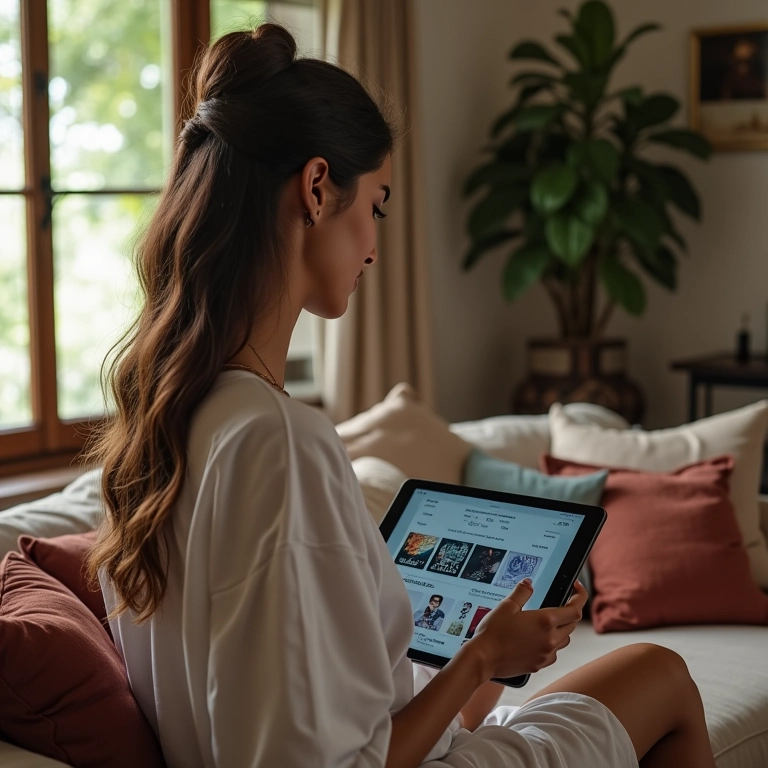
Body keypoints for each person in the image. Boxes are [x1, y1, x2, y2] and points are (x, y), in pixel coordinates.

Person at [87, 23, 718, 768]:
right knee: (662, 675)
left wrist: (484, 661)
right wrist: (480, 662)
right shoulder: (278, 440)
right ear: (318, 188)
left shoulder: (158, 431)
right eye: (377, 207)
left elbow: (316, 716)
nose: (375, 248)